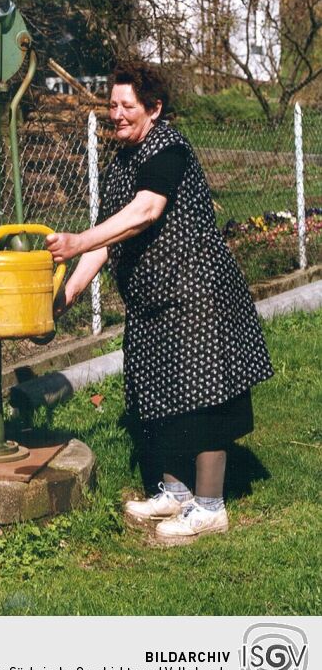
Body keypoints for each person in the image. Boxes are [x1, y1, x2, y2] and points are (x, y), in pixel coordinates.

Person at [45, 61, 273, 545]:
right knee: (157, 390)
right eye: (112, 105)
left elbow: (146, 212)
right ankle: (176, 492)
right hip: (152, 300)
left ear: (154, 108)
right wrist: (62, 298)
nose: (118, 114)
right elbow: (109, 241)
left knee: (203, 396)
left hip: (196, 292)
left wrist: (78, 240)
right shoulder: (122, 160)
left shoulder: (167, 148)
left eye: (128, 106)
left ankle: (210, 508)